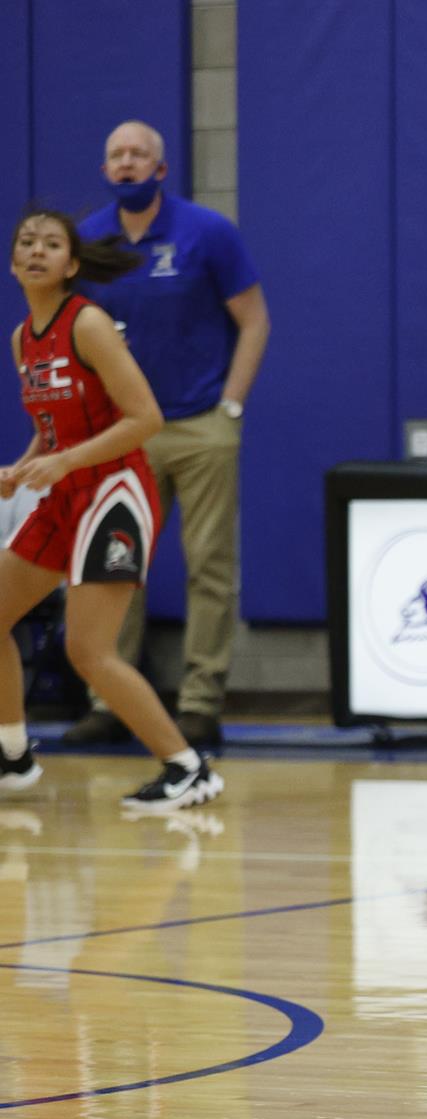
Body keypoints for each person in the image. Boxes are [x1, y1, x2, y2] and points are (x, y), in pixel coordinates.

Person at [6, 209, 222, 810]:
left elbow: (145, 419)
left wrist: (64, 463)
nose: (36, 251)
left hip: (114, 492)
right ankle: (13, 754)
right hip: (64, 490)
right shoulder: (24, 337)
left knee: (88, 651)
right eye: (26, 242)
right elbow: (51, 429)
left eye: (51, 244)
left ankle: (187, 767)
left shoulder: (89, 324)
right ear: (13, 261)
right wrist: (24, 467)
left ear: (71, 265)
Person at [65, 120, 270, 753]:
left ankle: (201, 703)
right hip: (122, 431)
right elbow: (69, 331)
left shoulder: (207, 232)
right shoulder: (89, 240)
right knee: (113, 567)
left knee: (208, 565)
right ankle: (109, 702)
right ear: (105, 171)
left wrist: (230, 407)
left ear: (161, 169)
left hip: (198, 424)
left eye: (139, 155)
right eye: (116, 155)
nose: (127, 163)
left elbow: (255, 320)